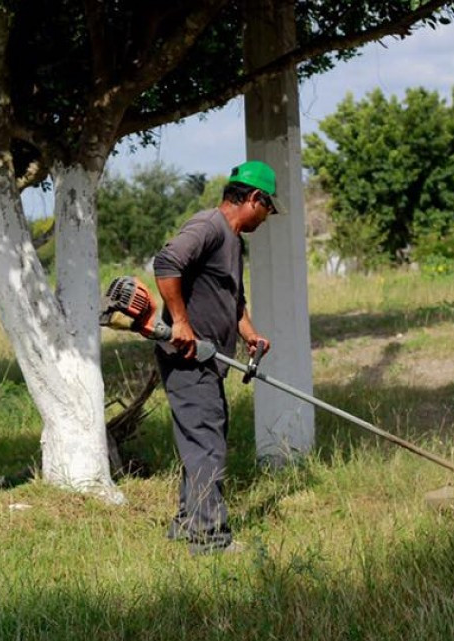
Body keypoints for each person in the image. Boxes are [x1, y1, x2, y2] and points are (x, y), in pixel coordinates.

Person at [151, 160, 279, 555]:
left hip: (209, 360)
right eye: (268, 207)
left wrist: (250, 334)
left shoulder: (232, 240)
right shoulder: (209, 226)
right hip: (188, 356)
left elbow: (233, 300)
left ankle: (187, 523)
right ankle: (210, 540)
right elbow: (166, 263)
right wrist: (181, 323)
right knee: (207, 445)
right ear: (254, 198)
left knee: (205, 439)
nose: (266, 217)